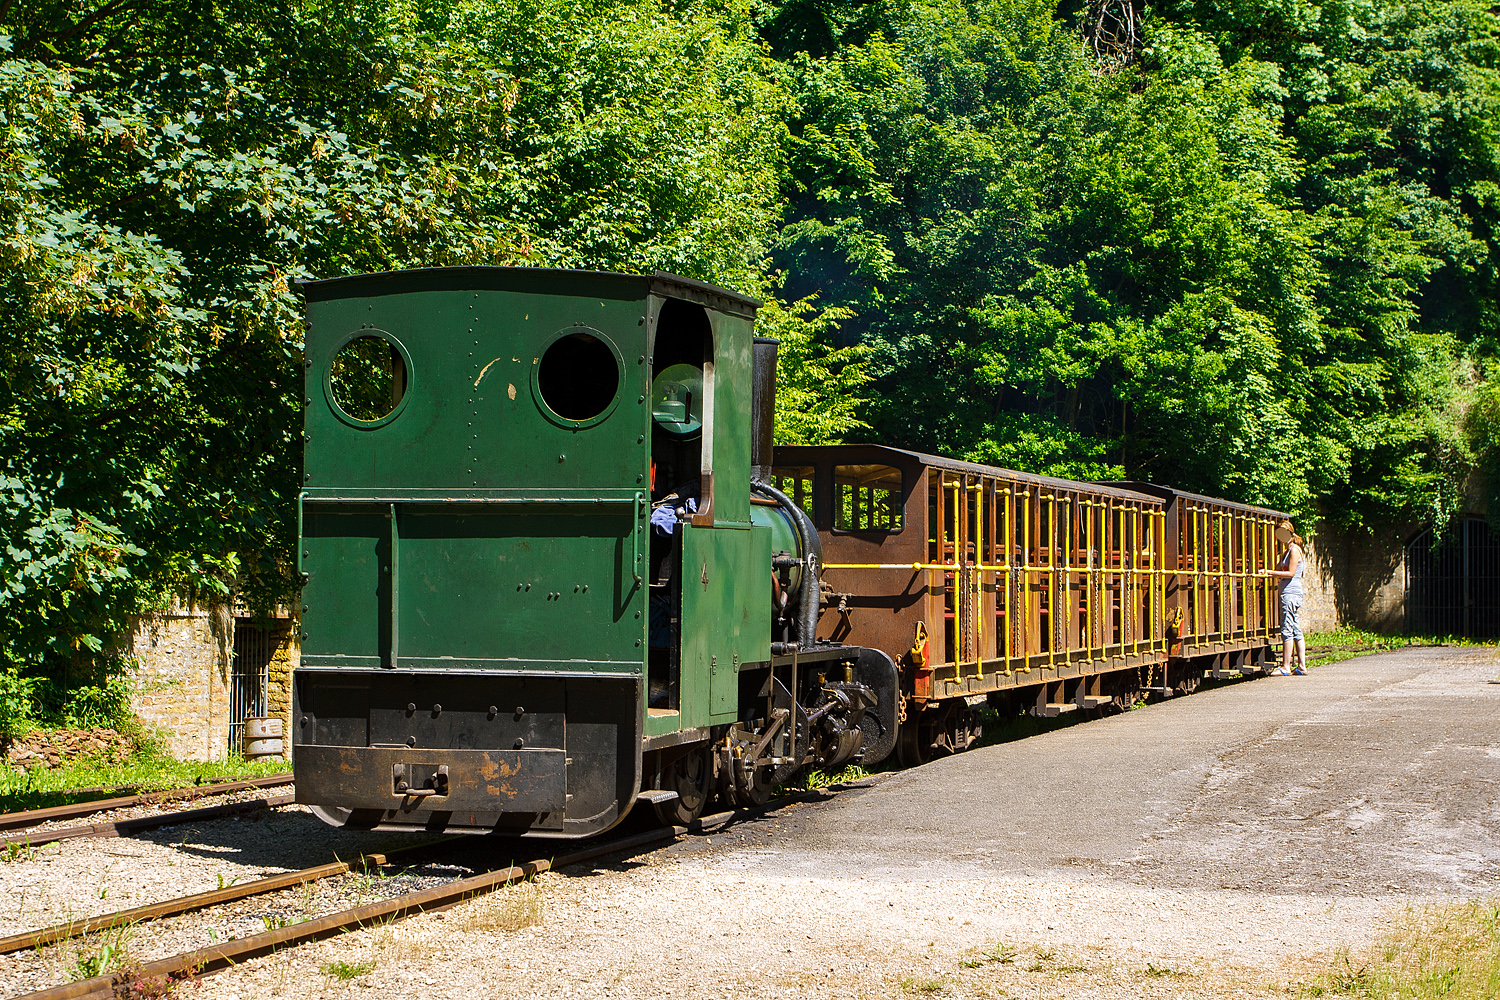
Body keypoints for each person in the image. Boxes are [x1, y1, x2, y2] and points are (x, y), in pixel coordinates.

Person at [1267, 519, 1307, 675]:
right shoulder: (1287, 551)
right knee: (1295, 628)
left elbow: (1290, 573)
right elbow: (1279, 568)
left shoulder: (1294, 550)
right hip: (1289, 593)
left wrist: (1270, 573)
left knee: (1287, 628)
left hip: (1290, 594)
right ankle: (1302, 666)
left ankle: (1286, 666)